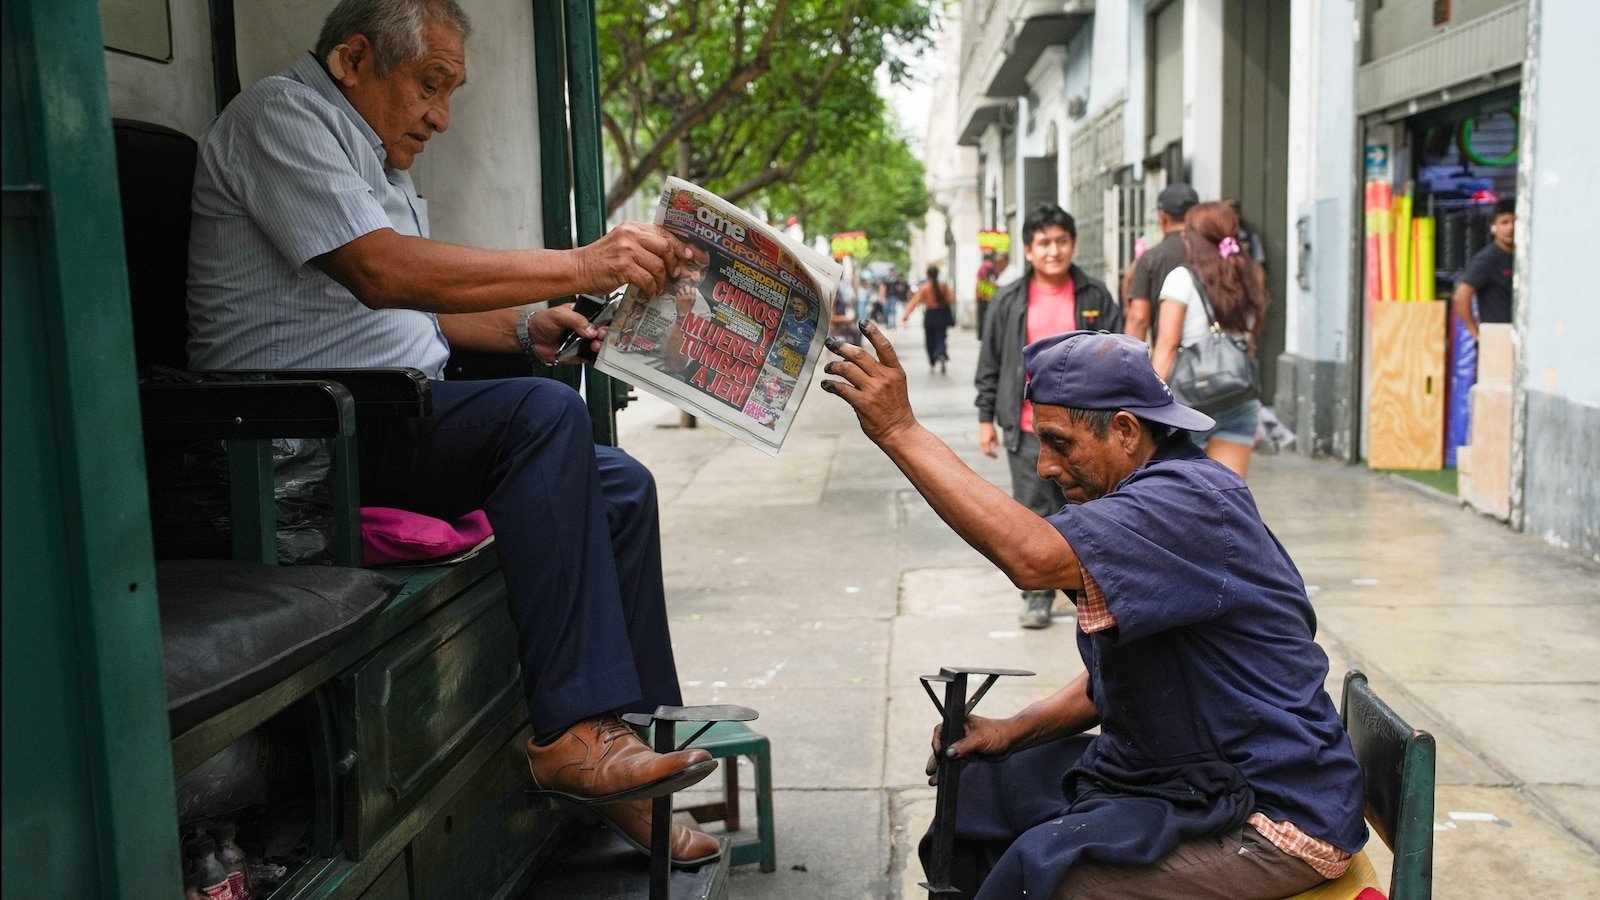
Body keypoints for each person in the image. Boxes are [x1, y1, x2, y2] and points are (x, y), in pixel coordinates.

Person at [185, 0, 720, 867]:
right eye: (429, 86)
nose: (439, 114)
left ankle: (625, 753)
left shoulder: (376, 157)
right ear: (354, 60)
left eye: (450, 93)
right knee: (543, 415)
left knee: (622, 484)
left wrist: (523, 326)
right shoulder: (279, 119)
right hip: (296, 442)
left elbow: (417, 315)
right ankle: (571, 737)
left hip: (382, 408)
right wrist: (583, 263)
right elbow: (382, 273)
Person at [818, 324, 1367, 900]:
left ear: (1127, 431)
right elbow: (1119, 680)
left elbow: (1031, 557)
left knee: (1050, 874)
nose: (1047, 467)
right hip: (1188, 771)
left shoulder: (1190, 501)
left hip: (1272, 815)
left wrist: (901, 430)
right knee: (986, 789)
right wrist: (1011, 733)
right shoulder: (1146, 497)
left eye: (1060, 444)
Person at [974, 204, 1122, 629]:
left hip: (1089, 430)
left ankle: (1100, 593)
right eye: (1043, 243)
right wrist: (987, 417)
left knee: (1094, 511)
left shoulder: (1094, 296)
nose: (1053, 251)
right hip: (1027, 429)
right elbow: (992, 362)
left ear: (1073, 244)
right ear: (1028, 249)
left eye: (1061, 241)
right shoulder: (1008, 300)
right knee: (1035, 514)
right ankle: (1037, 595)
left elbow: (1116, 352)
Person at [1151, 201, 1271, 480]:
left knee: (1180, 499)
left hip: (1191, 406)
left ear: (1192, 238)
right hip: (1238, 400)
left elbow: (1166, 349)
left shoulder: (1181, 279)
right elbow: (1249, 343)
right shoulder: (1248, 279)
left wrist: (1151, 408)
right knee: (1226, 500)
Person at [1126, 182, 1198, 343]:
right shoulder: (1212, 255)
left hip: (1171, 359)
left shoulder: (1151, 258)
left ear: (1163, 216)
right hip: (1216, 359)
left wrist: (1128, 364)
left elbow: (1138, 319)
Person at [1451, 198, 1516, 341]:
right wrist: (1475, 333)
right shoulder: (1488, 258)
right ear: (1494, 227)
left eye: (1515, 221)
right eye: (1504, 222)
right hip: (1496, 337)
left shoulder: (1523, 258)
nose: (1510, 228)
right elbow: (1461, 294)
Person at [901, 264, 955, 372]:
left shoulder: (925, 288)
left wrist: (906, 315)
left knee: (929, 339)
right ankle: (941, 353)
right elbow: (951, 299)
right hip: (941, 315)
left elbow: (914, 302)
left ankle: (932, 360)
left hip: (930, 315)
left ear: (928, 274)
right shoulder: (943, 286)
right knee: (941, 337)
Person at [974, 251, 1008, 341]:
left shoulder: (982, 268)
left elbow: (978, 282)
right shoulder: (994, 268)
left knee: (981, 317)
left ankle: (981, 336)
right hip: (992, 296)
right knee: (991, 317)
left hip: (982, 296)